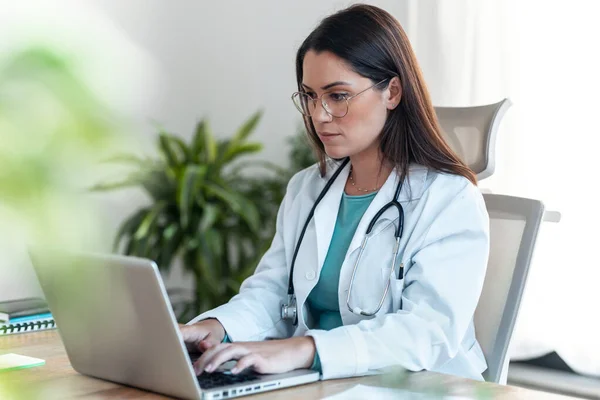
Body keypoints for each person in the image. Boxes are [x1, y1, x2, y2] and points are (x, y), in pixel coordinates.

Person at [180, 3, 489, 381]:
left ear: (392, 92)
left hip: (415, 385)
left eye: (338, 96)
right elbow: (273, 293)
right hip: (319, 381)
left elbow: (427, 333)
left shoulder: (449, 199)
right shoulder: (308, 188)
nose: (319, 114)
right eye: (309, 96)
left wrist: (305, 349)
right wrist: (217, 327)